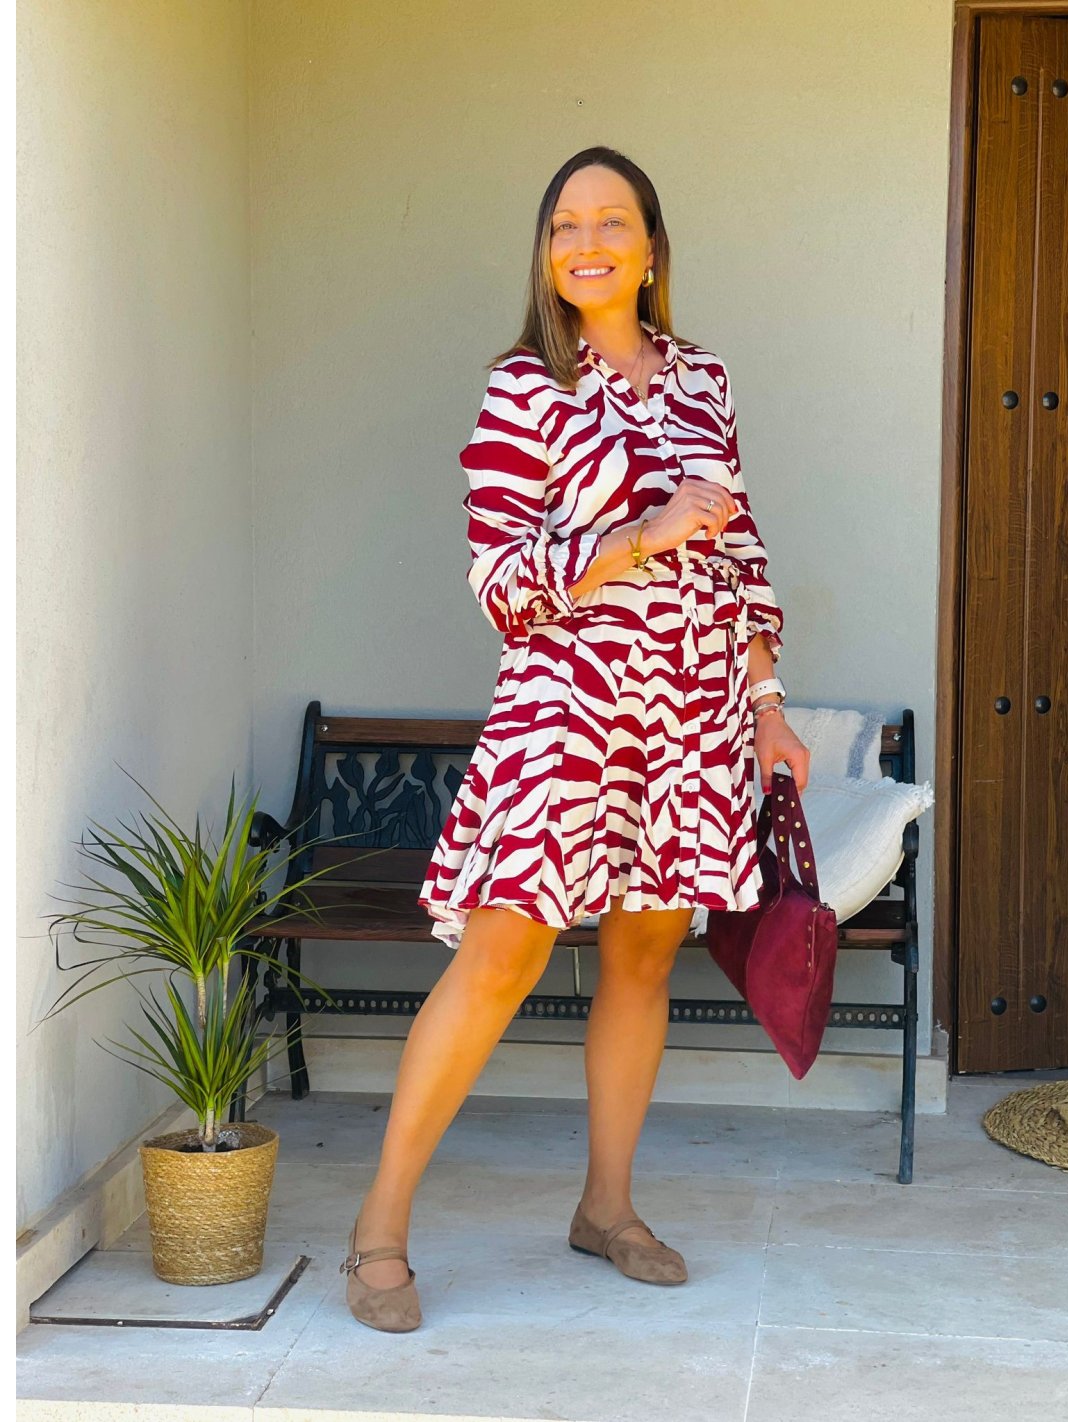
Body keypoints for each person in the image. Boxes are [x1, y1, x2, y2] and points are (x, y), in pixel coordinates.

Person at [340, 145, 811, 1331]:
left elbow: (742, 552)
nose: (586, 242)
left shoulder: (703, 381)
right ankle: (377, 1231)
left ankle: (606, 1208)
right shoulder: (523, 389)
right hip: (568, 707)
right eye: (564, 225)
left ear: (650, 246)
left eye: (610, 222)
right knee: (499, 956)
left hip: (692, 711)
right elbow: (498, 581)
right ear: (545, 253)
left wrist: (766, 706)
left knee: (642, 959)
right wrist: (637, 537)